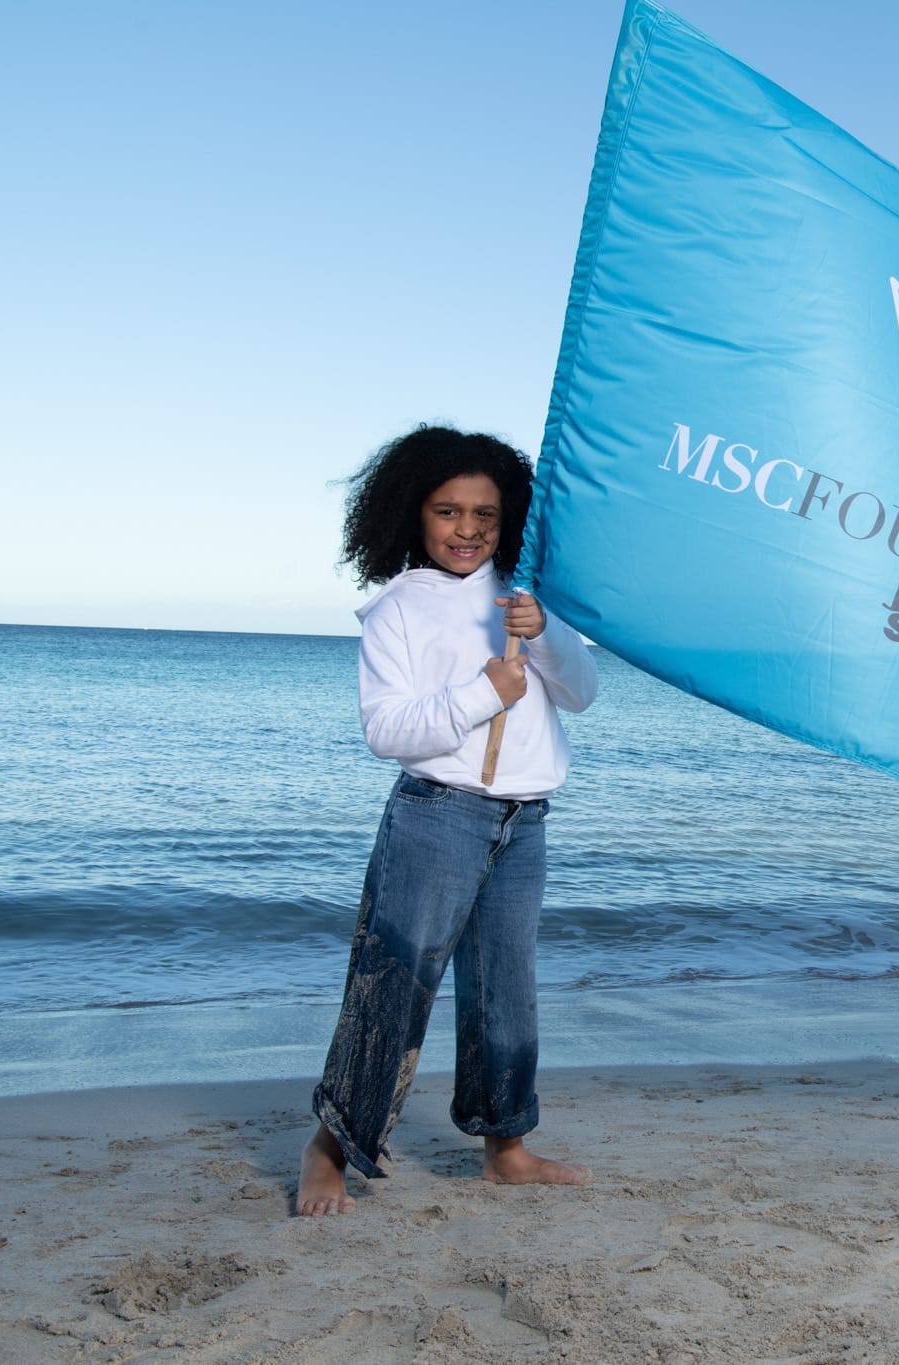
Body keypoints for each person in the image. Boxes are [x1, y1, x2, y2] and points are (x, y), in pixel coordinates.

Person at [296, 424, 600, 1215]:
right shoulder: (396, 610)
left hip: (524, 819)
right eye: (448, 511)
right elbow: (386, 730)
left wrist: (548, 636)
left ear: (511, 518)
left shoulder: (524, 596)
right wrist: (481, 694)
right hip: (438, 817)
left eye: (486, 514)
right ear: (414, 513)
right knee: (395, 981)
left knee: (507, 986)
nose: (468, 530)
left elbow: (582, 691)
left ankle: (506, 1146)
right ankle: (329, 1145)